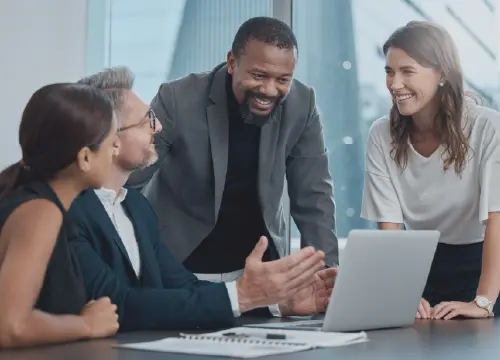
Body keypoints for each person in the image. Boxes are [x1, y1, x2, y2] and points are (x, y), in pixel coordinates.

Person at [69, 67, 337, 331]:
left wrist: (277, 302)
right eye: (146, 121)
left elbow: (185, 288)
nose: (159, 126)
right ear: (111, 140)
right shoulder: (69, 212)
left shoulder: (137, 209)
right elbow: (120, 305)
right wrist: (244, 295)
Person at [127, 16, 338, 282]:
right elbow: (130, 179)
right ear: (232, 62)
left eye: (283, 79)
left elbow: (313, 196)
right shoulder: (177, 98)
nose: (269, 90)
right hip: (178, 267)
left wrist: (324, 273)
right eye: (258, 75)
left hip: (258, 272)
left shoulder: (302, 104)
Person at [361, 20, 500, 320]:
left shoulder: (487, 126)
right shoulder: (381, 134)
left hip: (488, 268)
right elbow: (390, 230)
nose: (394, 84)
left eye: (407, 71)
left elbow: (497, 220)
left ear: (442, 74)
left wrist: (484, 302)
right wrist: (402, 293)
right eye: (389, 71)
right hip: (421, 268)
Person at [0, 83, 120, 348]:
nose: (117, 149)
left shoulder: (29, 199)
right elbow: (9, 326)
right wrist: (88, 324)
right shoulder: (41, 213)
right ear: (85, 158)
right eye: (112, 142)